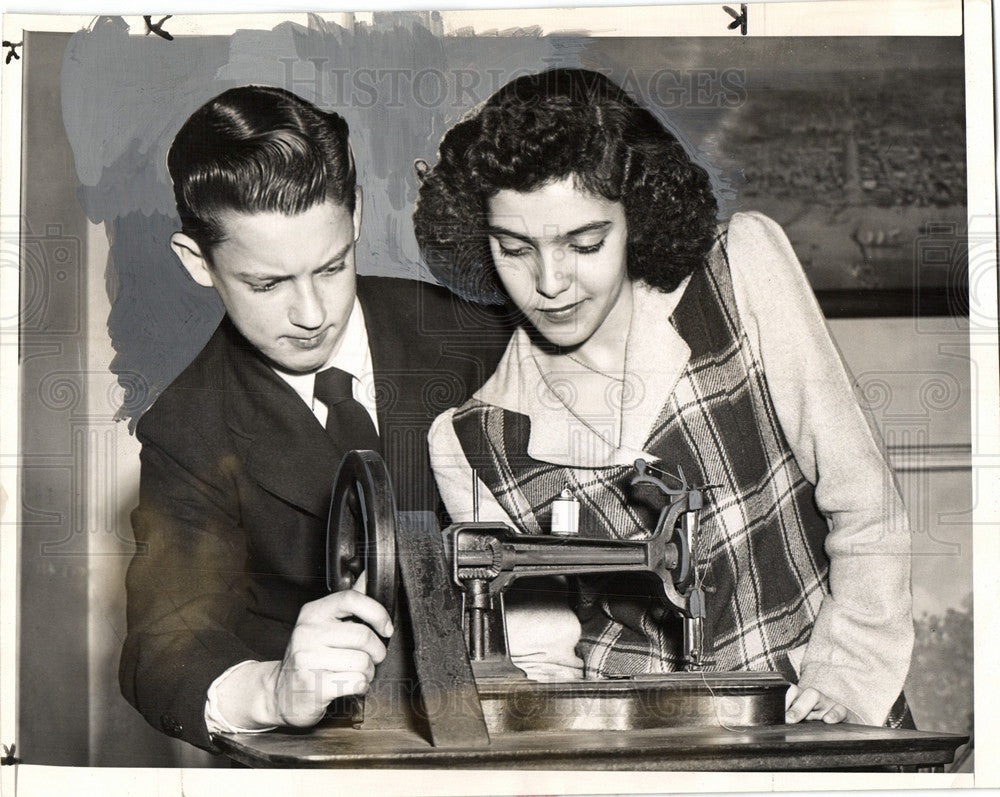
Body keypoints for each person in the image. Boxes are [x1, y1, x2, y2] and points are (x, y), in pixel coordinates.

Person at [415, 68, 914, 727]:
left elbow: (866, 506)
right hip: (640, 754)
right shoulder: (472, 443)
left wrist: (844, 682)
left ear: (637, 216)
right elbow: (545, 669)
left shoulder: (740, 272)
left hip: (827, 708)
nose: (549, 283)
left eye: (585, 243)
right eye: (515, 248)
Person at [120, 85, 509, 751]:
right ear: (197, 261)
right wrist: (275, 687)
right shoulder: (184, 429)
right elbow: (163, 644)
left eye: (331, 267)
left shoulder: (477, 336)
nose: (310, 313)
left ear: (354, 215)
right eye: (267, 284)